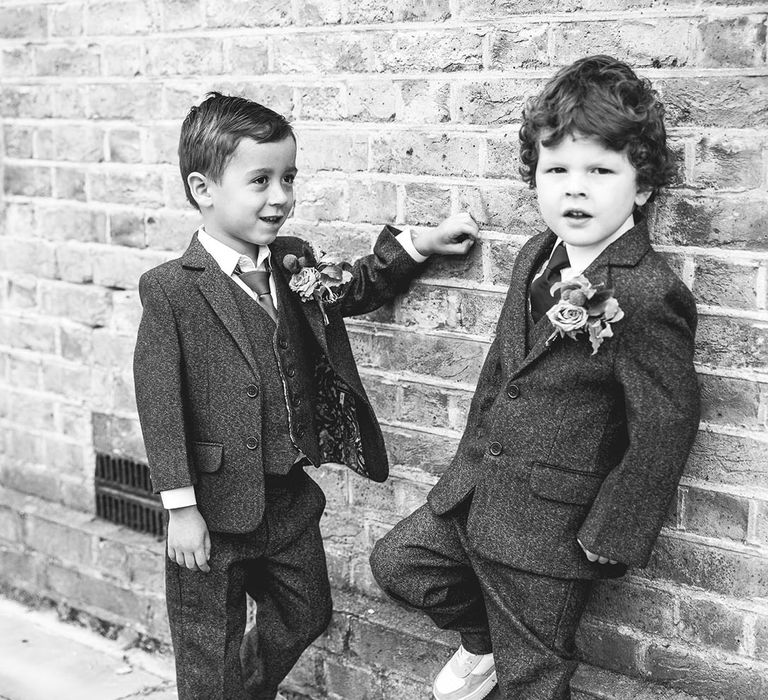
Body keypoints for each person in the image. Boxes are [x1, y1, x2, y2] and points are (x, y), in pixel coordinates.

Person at [369, 55, 701, 700]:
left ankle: (510, 661)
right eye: (557, 171)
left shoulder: (646, 290)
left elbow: (665, 420)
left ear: (642, 186)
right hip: (480, 493)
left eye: (600, 170)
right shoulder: (534, 254)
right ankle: (480, 644)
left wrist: (616, 529)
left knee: (534, 676)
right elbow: (503, 371)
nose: (575, 189)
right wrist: (466, 467)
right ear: (537, 180)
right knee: (400, 563)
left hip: (554, 526)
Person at [132, 92, 477, 700]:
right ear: (204, 188)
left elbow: (353, 287)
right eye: (260, 180)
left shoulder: (294, 263)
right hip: (211, 508)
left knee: (306, 614)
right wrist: (180, 507)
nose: (281, 196)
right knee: (206, 648)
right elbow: (160, 404)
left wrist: (421, 244)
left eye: (288, 177)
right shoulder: (169, 291)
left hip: (287, 498)